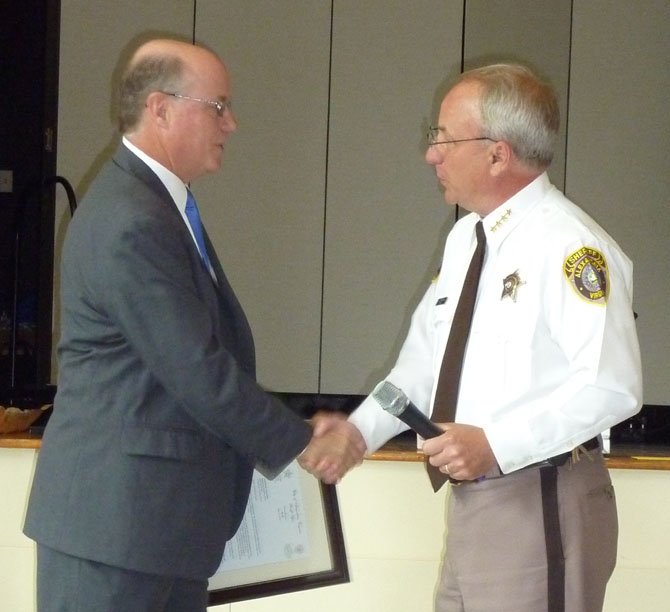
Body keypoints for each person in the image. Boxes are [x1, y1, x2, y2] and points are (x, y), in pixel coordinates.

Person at [23, 37, 365, 612]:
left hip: (152, 535)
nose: (231, 123)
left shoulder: (157, 208)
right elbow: (197, 370)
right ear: (160, 108)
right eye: (219, 106)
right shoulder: (133, 219)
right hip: (118, 536)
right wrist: (304, 440)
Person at [328, 64, 643, 612]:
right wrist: (358, 435)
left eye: (443, 138)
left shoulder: (571, 248)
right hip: (477, 505)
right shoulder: (465, 240)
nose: (431, 154)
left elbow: (611, 388)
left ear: (498, 154)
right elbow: (420, 368)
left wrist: (494, 445)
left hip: (539, 497)